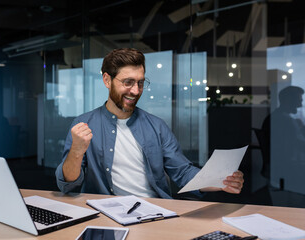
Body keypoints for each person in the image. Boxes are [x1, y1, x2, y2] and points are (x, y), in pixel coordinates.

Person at [55, 48, 244, 199]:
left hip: (154, 212)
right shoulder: (84, 124)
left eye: (140, 83)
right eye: (128, 82)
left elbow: (182, 172)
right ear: (107, 80)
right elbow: (67, 183)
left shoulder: (157, 126)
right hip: (105, 212)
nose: (136, 91)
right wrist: (77, 152)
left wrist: (221, 181)